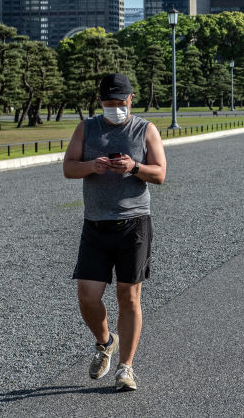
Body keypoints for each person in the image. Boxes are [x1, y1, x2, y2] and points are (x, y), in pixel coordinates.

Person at [63, 73, 167, 392]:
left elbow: (160, 174)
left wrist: (134, 167)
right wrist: (92, 166)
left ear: (131, 99)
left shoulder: (145, 129)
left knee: (129, 296)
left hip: (133, 224)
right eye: (108, 104)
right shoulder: (87, 128)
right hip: (95, 225)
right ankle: (106, 341)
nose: (115, 109)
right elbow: (68, 167)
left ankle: (126, 367)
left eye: (120, 103)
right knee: (87, 296)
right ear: (100, 103)